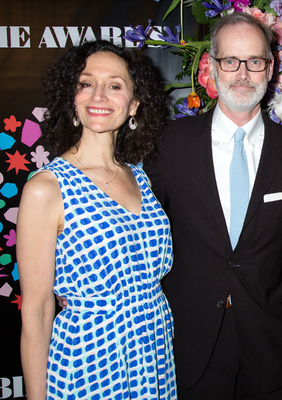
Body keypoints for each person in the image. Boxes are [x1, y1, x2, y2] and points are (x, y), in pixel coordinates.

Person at [144, 12, 282, 400]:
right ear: (211, 66)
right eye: (230, 61)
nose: (243, 73)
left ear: (271, 68)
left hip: (269, 345)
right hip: (190, 344)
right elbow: (143, 236)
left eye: (255, 61)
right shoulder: (168, 146)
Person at [17, 40, 176, 399]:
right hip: (90, 359)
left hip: (151, 353)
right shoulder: (47, 188)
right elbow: (38, 311)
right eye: (86, 83)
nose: (98, 95)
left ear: (134, 105)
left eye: (115, 85)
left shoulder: (140, 177)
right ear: (71, 98)